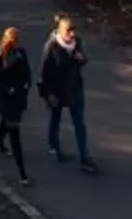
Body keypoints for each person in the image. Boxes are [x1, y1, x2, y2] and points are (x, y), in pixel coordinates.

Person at [39, 15, 94, 172]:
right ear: (60, 31)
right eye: (68, 31)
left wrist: (81, 58)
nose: (72, 34)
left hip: (75, 90)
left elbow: (83, 60)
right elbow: (43, 73)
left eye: (73, 30)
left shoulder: (77, 43)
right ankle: (54, 147)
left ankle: (85, 157)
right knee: (55, 119)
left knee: (80, 124)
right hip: (57, 92)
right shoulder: (51, 47)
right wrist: (47, 94)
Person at [0, 27, 35, 184]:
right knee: (15, 134)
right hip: (7, 100)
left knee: (7, 123)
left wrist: (28, 83)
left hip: (19, 98)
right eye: (12, 42)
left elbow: (27, 71)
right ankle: (23, 173)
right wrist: (7, 89)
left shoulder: (21, 53)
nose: (15, 45)